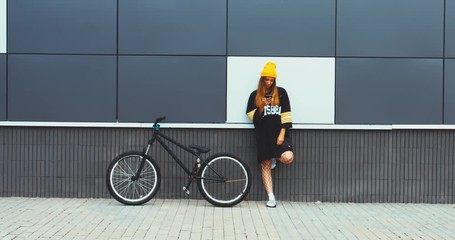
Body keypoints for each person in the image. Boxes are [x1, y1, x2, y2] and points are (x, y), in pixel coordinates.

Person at [246, 62, 294, 208]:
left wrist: (282, 133)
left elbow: (286, 114)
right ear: (262, 80)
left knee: (288, 157)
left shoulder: (281, 93)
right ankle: (271, 197)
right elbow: (250, 115)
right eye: (266, 79)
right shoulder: (255, 95)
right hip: (263, 135)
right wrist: (262, 106)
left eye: (271, 80)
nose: (269, 82)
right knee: (265, 165)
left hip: (279, 134)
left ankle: (275, 157)